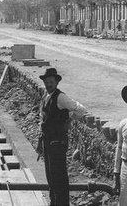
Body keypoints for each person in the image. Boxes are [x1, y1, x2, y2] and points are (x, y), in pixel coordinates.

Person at [36, 68, 86, 205]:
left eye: (51, 82)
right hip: (48, 141)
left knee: (59, 177)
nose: (48, 84)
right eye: (46, 82)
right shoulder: (45, 97)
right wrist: (40, 142)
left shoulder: (60, 97)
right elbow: (42, 121)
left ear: (57, 82)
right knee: (50, 176)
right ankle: (54, 202)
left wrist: (70, 118)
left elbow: (81, 109)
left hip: (58, 142)